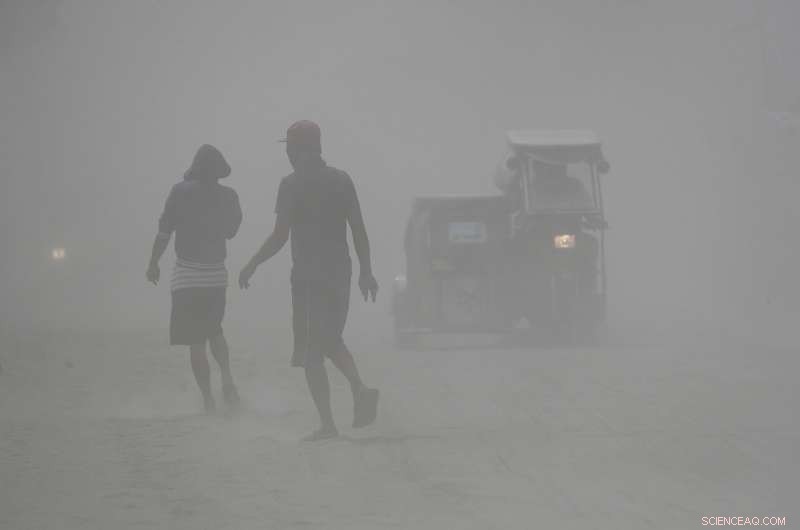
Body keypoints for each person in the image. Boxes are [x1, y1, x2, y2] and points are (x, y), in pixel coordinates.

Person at [238, 120, 379, 441]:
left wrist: (252, 263)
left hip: (308, 280)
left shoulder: (291, 185)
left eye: (289, 147)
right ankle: (359, 388)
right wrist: (366, 272)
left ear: (297, 149)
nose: (287, 153)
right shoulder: (342, 180)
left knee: (312, 354)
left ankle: (329, 424)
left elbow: (279, 237)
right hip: (341, 274)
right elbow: (358, 228)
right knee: (330, 339)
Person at [146, 144, 242, 413]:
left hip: (186, 278)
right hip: (215, 277)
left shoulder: (179, 192)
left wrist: (153, 262)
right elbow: (232, 231)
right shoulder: (229, 196)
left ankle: (208, 401)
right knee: (215, 331)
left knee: (196, 342)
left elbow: (164, 232)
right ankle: (228, 380)